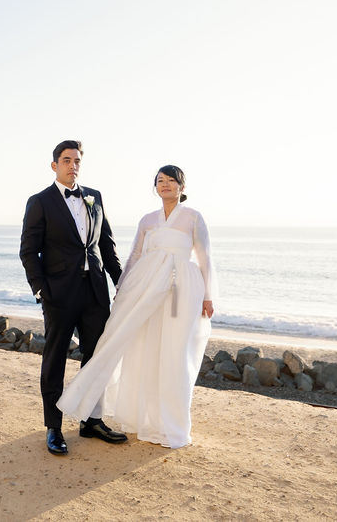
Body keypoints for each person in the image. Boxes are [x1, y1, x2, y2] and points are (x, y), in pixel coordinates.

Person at [56, 164, 216, 448]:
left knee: (174, 354)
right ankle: (137, 416)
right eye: (159, 181)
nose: (164, 185)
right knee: (145, 350)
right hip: (144, 290)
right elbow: (134, 256)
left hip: (180, 291)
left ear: (182, 186)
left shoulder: (193, 218)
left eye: (170, 180)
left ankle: (171, 424)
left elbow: (205, 259)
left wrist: (208, 296)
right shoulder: (148, 220)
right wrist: (122, 288)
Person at [19, 140, 126, 456]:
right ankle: (53, 427)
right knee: (54, 360)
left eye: (77, 160)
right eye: (66, 160)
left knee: (97, 357)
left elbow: (106, 246)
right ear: (55, 165)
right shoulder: (40, 202)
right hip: (59, 295)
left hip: (94, 292)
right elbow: (28, 251)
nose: (72, 165)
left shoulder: (95, 197)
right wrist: (41, 290)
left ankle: (91, 421)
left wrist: (123, 283)